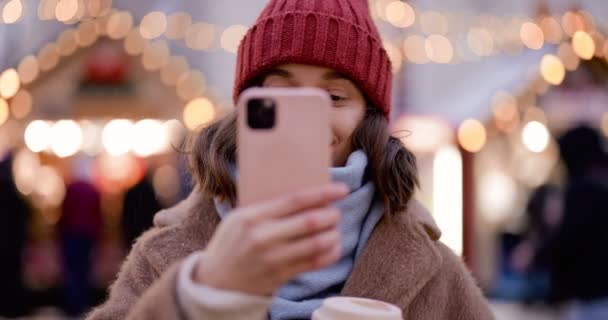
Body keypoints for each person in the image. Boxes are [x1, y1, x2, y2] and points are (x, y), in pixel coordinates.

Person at [87, 1, 493, 319]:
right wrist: (203, 297)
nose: (311, 119)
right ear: (247, 110)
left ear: (367, 118)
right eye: (282, 93)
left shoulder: (432, 267)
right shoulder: (165, 253)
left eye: (334, 97)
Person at [549, 126, 608, 320]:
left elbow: (569, 239)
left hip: (590, 297)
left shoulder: (583, 190)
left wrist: (537, 255)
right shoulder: (599, 184)